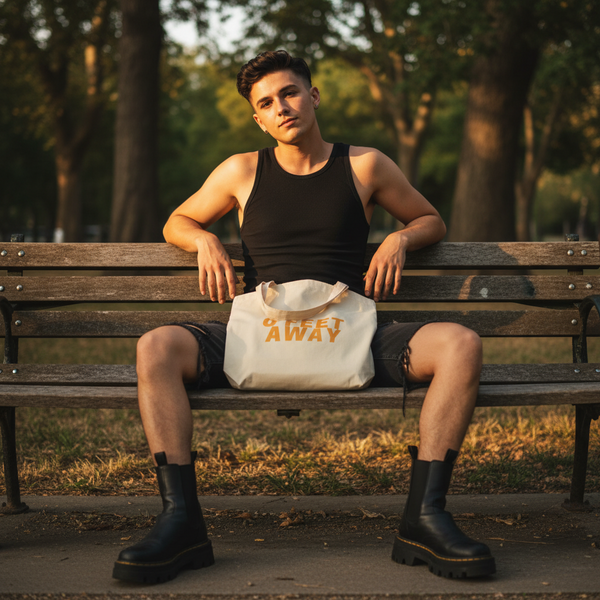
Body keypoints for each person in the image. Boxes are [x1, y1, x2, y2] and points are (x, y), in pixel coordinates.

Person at [112, 50, 496, 584]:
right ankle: (180, 523)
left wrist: (399, 238)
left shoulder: (364, 166)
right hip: (258, 334)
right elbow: (178, 220)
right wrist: (202, 237)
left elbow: (431, 218)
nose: (281, 107)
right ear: (258, 118)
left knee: (460, 343)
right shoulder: (242, 170)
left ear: (313, 95)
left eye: (290, 93)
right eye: (266, 103)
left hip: (351, 332)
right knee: (155, 347)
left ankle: (425, 518)